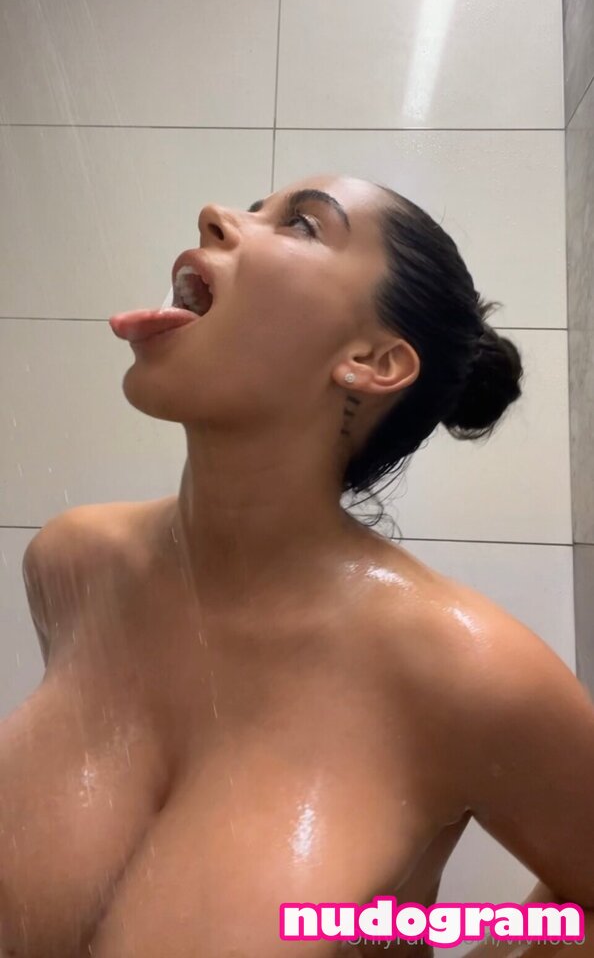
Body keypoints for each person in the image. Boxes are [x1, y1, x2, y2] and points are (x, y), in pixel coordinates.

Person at [2, 174, 593, 958]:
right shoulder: (73, 565)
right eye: (253, 209)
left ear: (372, 360)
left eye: (304, 226)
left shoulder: (466, 669)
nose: (215, 216)